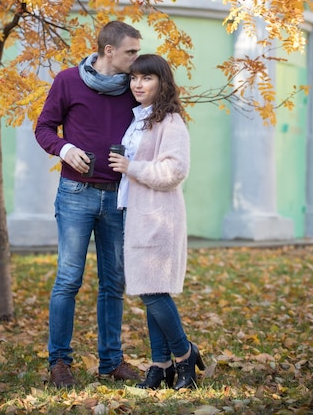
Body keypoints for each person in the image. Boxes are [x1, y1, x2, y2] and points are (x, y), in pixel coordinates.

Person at [35, 20, 142, 389]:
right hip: (75, 194)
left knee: (113, 282)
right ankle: (59, 363)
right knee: (68, 280)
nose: (136, 59)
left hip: (118, 197)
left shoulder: (134, 87)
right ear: (108, 51)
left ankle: (111, 362)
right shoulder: (68, 80)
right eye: (131, 51)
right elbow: (44, 127)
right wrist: (65, 148)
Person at [108, 54, 206, 391]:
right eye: (134, 77)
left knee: (151, 291)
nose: (137, 84)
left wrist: (130, 167)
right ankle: (159, 365)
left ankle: (184, 354)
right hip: (135, 213)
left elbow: (174, 171)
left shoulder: (171, 121)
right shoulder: (139, 119)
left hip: (159, 216)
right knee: (149, 288)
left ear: (162, 82)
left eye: (146, 78)